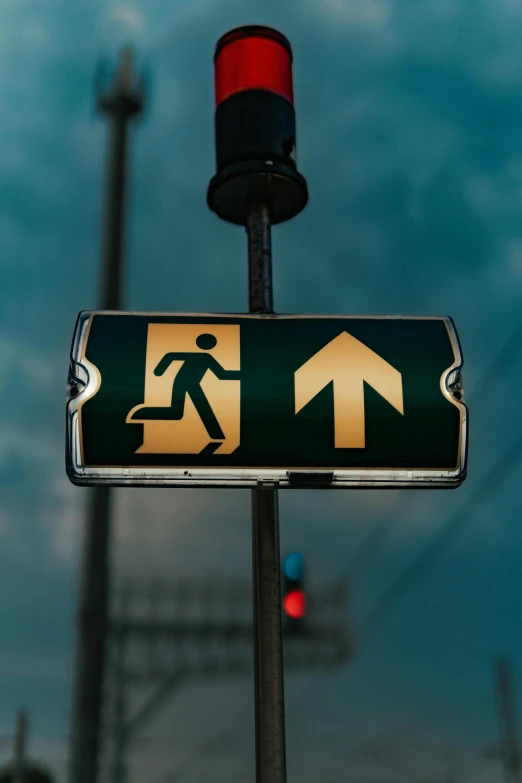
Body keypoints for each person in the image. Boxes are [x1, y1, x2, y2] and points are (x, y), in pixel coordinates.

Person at [131, 333, 240, 440]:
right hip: (182, 383)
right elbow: (171, 355)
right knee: (179, 411)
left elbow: (221, 374)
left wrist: (159, 371)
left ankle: (216, 435)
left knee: (180, 411)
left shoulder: (206, 357)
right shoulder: (205, 357)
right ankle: (216, 435)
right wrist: (159, 371)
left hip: (191, 384)